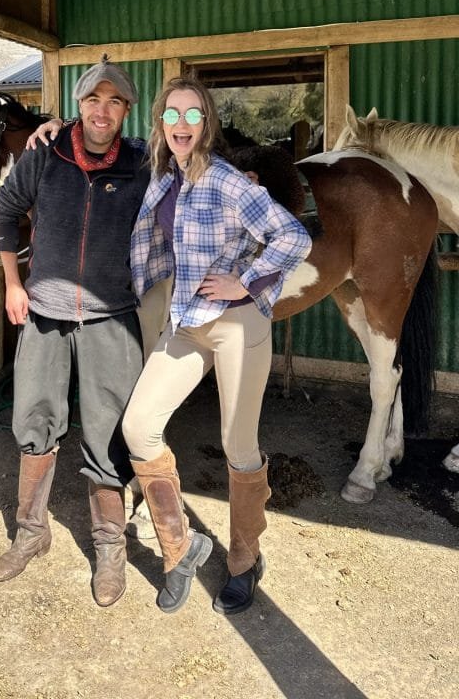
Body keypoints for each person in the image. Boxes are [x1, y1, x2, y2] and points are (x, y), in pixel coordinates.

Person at [122, 78, 312, 615]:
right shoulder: (164, 177)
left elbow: (293, 236)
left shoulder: (227, 181)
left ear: (206, 123)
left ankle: (245, 561)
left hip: (236, 324)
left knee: (238, 445)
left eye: (193, 115)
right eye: (172, 115)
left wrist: (245, 281)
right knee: (139, 427)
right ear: (160, 122)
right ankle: (181, 549)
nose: (181, 125)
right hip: (188, 320)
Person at [0, 56, 150, 607]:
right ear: (78, 106)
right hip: (44, 311)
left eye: (114, 102)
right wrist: (14, 284)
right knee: (34, 419)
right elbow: (5, 212)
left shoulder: (142, 163)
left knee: (109, 433)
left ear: (126, 111)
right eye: (93, 100)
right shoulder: (44, 155)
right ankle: (31, 533)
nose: (102, 111)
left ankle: (110, 548)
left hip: (112, 316)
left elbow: (190, 166)